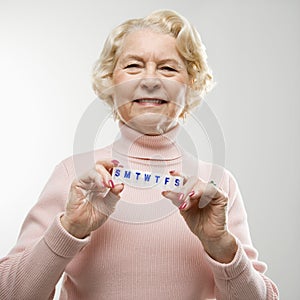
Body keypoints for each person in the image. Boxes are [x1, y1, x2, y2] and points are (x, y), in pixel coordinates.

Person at [0, 9, 279, 300]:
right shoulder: (75, 176)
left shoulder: (217, 185)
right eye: (133, 66)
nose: (150, 80)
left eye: (168, 68)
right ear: (110, 80)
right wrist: (69, 229)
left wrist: (220, 244)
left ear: (192, 84)